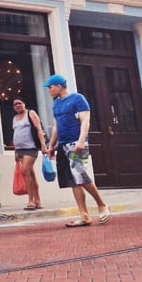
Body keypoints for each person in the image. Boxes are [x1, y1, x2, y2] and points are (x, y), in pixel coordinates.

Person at [43, 74, 110, 227]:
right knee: (74, 181)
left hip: (77, 143)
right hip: (63, 144)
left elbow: (85, 120)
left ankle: (101, 204)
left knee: (81, 175)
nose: (49, 90)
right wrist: (51, 145)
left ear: (58, 86)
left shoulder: (77, 99)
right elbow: (56, 126)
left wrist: (81, 141)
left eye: (50, 87)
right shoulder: (56, 104)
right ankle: (84, 215)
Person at [11, 96, 47, 210]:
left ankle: (31, 201)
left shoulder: (30, 113)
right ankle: (38, 201)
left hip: (31, 148)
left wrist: (43, 145)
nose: (17, 105)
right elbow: (15, 133)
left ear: (24, 104)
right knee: (31, 174)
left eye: (19, 103)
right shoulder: (15, 118)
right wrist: (15, 151)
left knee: (25, 171)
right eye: (15, 104)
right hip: (20, 149)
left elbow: (39, 129)